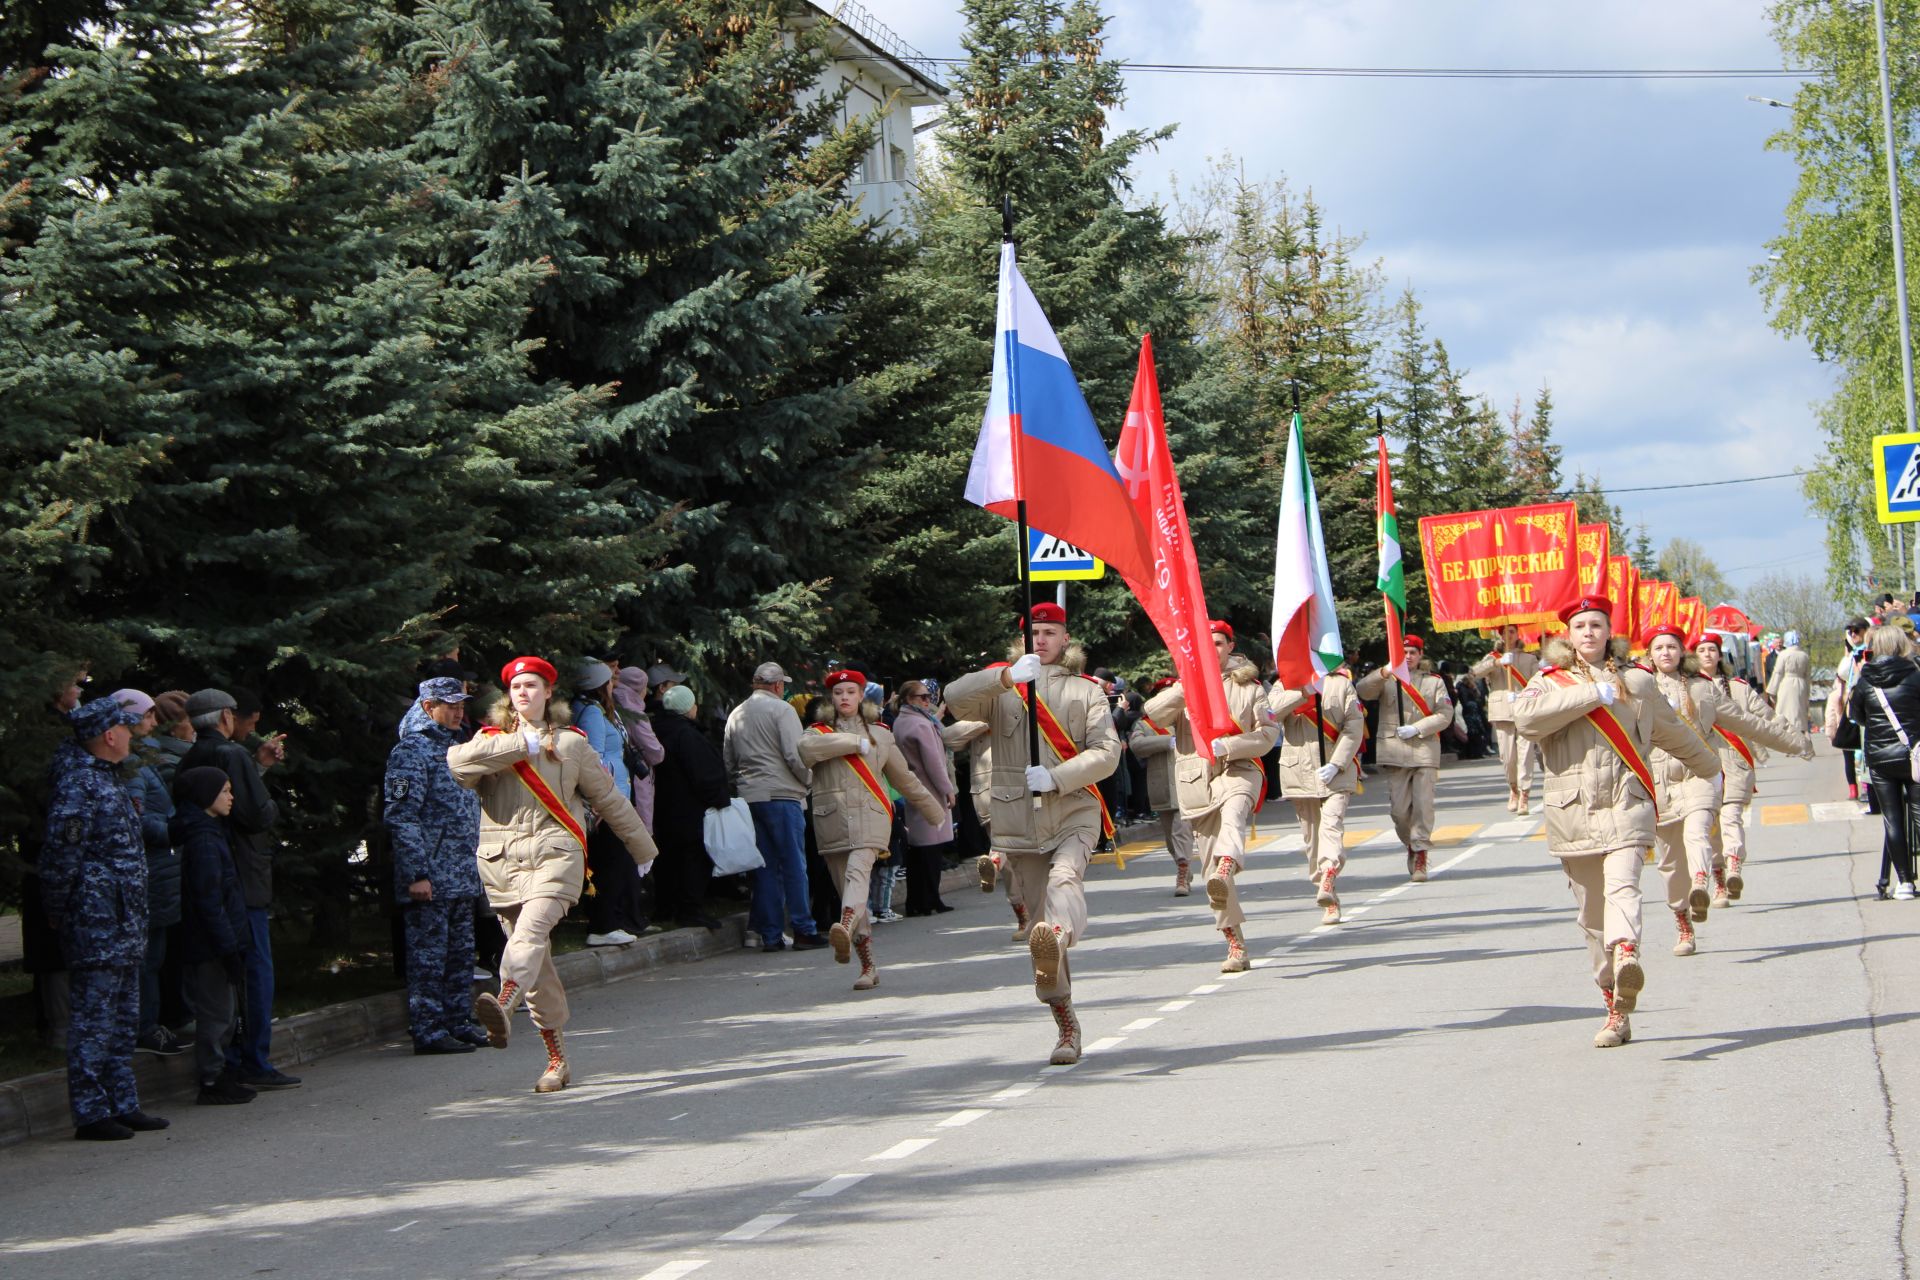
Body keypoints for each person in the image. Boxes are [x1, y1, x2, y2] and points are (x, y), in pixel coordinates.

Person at [1512, 597, 1721, 1049]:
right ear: (1567, 634)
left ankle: (1627, 949)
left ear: (1611, 633)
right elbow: (1524, 720)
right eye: (1580, 625)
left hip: (1628, 803)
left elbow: (1673, 730)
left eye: (1597, 625)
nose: (1588, 632)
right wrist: (1591, 693)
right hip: (1573, 814)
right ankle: (1615, 1007)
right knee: (1591, 920)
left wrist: (1711, 770)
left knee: (1624, 886)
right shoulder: (1546, 683)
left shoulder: (1637, 683)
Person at [450, 655, 658, 1092]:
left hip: (556, 855)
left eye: (533, 685)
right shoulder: (489, 743)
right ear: (509, 696)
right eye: (516, 687)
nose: (524, 693)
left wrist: (643, 849)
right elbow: (458, 765)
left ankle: (504, 1001)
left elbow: (610, 800)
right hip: (502, 863)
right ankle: (556, 1060)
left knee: (528, 936)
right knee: (538, 966)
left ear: (549, 693)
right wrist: (518, 746)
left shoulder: (570, 744)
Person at [947, 602, 1121, 1065]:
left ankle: (1059, 932)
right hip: (1018, 820)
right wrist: (1004, 677)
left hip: (1073, 809)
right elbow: (953, 697)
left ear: (1066, 640)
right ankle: (1066, 1022)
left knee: (1066, 883)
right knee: (1040, 940)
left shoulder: (1086, 692)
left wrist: (1060, 776)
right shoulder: (1001, 688)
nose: (1040, 640)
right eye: (1032, 633)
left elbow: (1108, 752)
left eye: (1048, 633)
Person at [42, 697, 168, 1139]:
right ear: (109, 735)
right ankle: (92, 1111)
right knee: (94, 1020)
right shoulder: (79, 784)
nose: (133, 735)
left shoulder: (106, 779)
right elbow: (61, 855)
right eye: (126, 729)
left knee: (122, 1018)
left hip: (123, 921)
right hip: (96, 923)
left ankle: (123, 1101)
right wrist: (58, 911)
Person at [1642, 624, 1808, 957]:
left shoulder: (1704, 690)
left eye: (1672, 647)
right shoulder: (1636, 690)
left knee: (1700, 829)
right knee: (1671, 865)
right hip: (1660, 784)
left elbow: (1748, 722)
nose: (1666, 653)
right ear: (1650, 655)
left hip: (1701, 774)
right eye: (1659, 648)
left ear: (1681, 652)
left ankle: (1701, 880)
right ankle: (1684, 925)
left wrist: (1794, 742)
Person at [180, 687, 300, 1090]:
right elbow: (256, 813)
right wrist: (269, 799)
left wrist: (258, 767)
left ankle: (231, 1059)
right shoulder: (230, 755)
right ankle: (253, 1059)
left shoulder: (192, 755)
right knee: (254, 971)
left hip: (218, 872)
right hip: (244, 875)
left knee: (226, 975)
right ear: (225, 717)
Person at [1142, 621, 1278, 972]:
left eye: (1218, 643)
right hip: (1197, 782)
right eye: (1205, 644)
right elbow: (1153, 715)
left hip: (1239, 770)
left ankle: (1229, 860)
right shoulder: (1185, 685)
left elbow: (1268, 734)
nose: (1212, 649)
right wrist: (1186, 686)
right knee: (1210, 876)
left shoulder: (1249, 688)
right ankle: (1235, 944)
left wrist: (1231, 744)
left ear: (1230, 646)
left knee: (1234, 817)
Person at [796, 669, 944, 990]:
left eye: (851, 691)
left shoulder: (881, 734)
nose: (845, 698)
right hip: (831, 820)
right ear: (831, 698)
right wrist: (853, 743)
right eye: (839, 693)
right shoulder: (816, 733)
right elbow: (806, 752)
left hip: (871, 818)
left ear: (861, 695)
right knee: (848, 884)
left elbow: (906, 779)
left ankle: (845, 922)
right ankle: (868, 966)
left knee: (858, 872)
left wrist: (935, 811)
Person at [385, 677, 488, 1055]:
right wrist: (417, 874)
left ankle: (458, 1021)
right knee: (429, 957)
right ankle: (428, 1029)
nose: (459, 711)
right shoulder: (411, 752)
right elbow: (402, 816)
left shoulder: (458, 747)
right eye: (450, 704)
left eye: (461, 704)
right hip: (430, 876)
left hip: (461, 872)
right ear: (429, 707)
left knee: (461, 954)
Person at [169, 767, 257, 1104]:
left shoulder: (211, 831)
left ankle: (221, 1073)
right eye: (224, 791)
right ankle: (211, 1079)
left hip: (220, 941)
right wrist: (227, 948)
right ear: (206, 796)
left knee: (225, 1009)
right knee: (216, 1013)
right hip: (210, 945)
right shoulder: (204, 839)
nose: (231, 797)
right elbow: (209, 901)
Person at [723, 661, 824, 951]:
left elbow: (728, 761)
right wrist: (808, 782)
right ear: (778, 685)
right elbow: (795, 755)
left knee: (764, 869)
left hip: (749, 797)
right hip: (782, 796)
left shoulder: (736, 713)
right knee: (794, 865)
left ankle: (771, 935)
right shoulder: (782, 710)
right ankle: (804, 928)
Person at [108, 689, 186, 1058]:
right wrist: (173, 828)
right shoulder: (132, 764)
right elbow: (136, 819)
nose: (154, 723)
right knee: (147, 959)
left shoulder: (142, 757)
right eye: (148, 715)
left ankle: (152, 1023)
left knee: (155, 956)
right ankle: (145, 1027)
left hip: (159, 872)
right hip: (150, 872)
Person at [1269, 665, 1366, 925]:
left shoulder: (1341, 684)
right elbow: (1270, 714)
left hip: (1336, 772)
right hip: (1299, 772)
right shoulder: (1284, 684)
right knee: (1312, 839)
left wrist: (1337, 763)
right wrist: (1302, 692)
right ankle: (1327, 894)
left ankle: (1329, 872)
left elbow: (1354, 726)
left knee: (1331, 826)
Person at [1355, 635, 1454, 882]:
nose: (1408, 656)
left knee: (1423, 805)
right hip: (1394, 751)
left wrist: (1418, 728)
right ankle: (1411, 843)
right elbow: (1362, 691)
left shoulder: (1434, 682)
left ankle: (1420, 852)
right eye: (1404, 652)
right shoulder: (1388, 679)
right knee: (1399, 812)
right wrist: (1385, 671)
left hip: (1424, 750)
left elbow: (1445, 713)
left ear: (1420, 655)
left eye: (1412, 652)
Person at [572, 660, 649, 947]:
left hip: (610, 798)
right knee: (611, 862)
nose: (614, 684)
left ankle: (608, 922)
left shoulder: (588, 709)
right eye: (609, 680)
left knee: (613, 861)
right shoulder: (591, 712)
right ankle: (603, 925)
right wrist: (602, 798)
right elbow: (594, 758)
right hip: (606, 801)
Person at [651, 683, 730, 932]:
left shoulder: (657, 729)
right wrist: (719, 798)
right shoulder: (686, 735)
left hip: (662, 807)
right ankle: (689, 910)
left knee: (668, 860)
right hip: (688, 809)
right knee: (692, 859)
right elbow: (704, 774)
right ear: (688, 708)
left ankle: (667, 907)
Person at [1849, 625, 1920, 899]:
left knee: (1892, 820)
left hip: (1880, 759)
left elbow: (1858, 716)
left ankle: (1904, 883)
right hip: (1914, 754)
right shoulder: (1914, 675)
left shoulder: (1866, 680)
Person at [891, 680, 958, 916]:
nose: (928, 701)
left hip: (913, 790)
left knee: (918, 851)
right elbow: (934, 763)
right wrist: (947, 789)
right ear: (909, 699)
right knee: (931, 849)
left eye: (929, 696)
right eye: (923, 697)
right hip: (930, 789)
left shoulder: (901, 721)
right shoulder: (920, 724)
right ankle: (930, 899)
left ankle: (917, 900)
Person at [1128, 677, 1194, 895]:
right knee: (1170, 837)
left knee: (1181, 830)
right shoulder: (1146, 723)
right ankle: (1182, 864)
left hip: (1188, 782)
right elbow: (1136, 745)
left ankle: (1183, 871)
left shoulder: (1187, 717)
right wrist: (1167, 742)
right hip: (1161, 786)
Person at [1471, 625, 1538, 811]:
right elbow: (1475, 673)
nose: (1508, 635)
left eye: (1511, 632)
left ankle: (1525, 793)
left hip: (1525, 710)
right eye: (1504, 632)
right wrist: (1496, 663)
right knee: (1508, 757)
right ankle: (1513, 788)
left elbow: (1538, 683)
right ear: (1499, 636)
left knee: (1525, 755)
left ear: (1517, 634)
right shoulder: (1493, 657)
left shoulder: (1529, 658)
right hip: (1502, 711)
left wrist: (1525, 695)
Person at [612, 666, 666, 832]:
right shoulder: (634, 713)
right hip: (636, 780)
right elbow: (655, 753)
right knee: (640, 836)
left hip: (619, 780)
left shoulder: (612, 704)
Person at [1826, 619, 1871, 801]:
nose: (1853, 634)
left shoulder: (1867, 652)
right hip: (1850, 705)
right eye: (1850, 631)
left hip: (1865, 705)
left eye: (1856, 630)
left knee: (1864, 749)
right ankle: (1853, 788)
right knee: (1848, 749)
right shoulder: (1852, 654)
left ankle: (1867, 788)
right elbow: (1843, 675)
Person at [1767, 630, 1813, 730]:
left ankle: (1786, 730)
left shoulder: (1783, 654)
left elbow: (1778, 673)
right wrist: (1807, 691)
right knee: (1799, 712)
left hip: (1786, 684)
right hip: (1801, 685)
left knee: (1785, 711)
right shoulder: (1805, 656)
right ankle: (1800, 730)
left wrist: (1772, 691)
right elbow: (1808, 676)